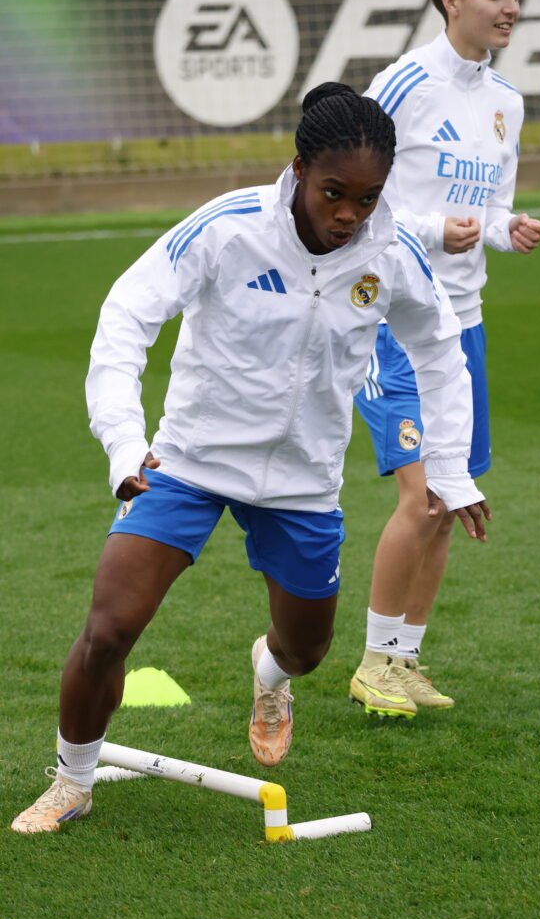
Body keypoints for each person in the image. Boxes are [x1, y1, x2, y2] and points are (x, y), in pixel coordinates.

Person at [12, 82, 489, 834]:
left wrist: (451, 469)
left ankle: (269, 673)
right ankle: (72, 779)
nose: (348, 215)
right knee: (109, 628)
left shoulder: (390, 253)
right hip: (188, 464)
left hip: (302, 484)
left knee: (306, 649)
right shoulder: (227, 229)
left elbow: (438, 351)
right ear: (297, 169)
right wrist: (125, 444)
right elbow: (126, 315)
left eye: (366, 200)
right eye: (335, 193)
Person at [349, 0, 540, 715]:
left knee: (449, 494)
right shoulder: (401, 85)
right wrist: (433, 232)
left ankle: (403, 660)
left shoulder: (507, 101)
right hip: (394, 319)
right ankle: (371, 663)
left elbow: (490, 206)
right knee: (422, 495)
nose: (510, 7)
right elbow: (351, 193)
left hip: (464, 324)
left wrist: (504, 228)